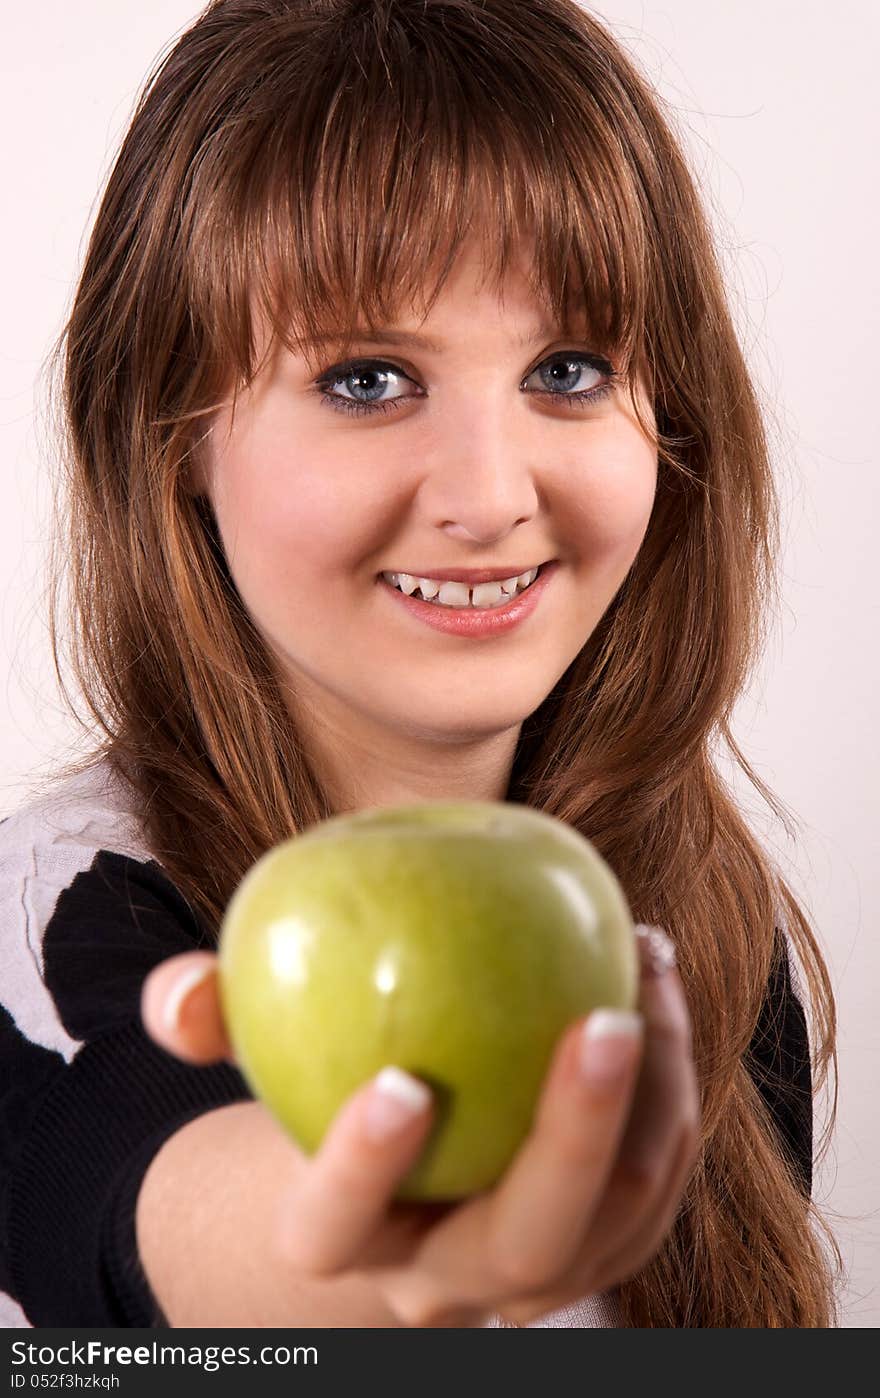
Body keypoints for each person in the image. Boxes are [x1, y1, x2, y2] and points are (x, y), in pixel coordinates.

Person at [0, 0, 841, 1328]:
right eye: (368, 379)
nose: (492, 494)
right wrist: (369, 1269)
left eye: (567, 368)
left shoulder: (708, 928)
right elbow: (149, 1202)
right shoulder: (52, 919)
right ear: (172, 436)